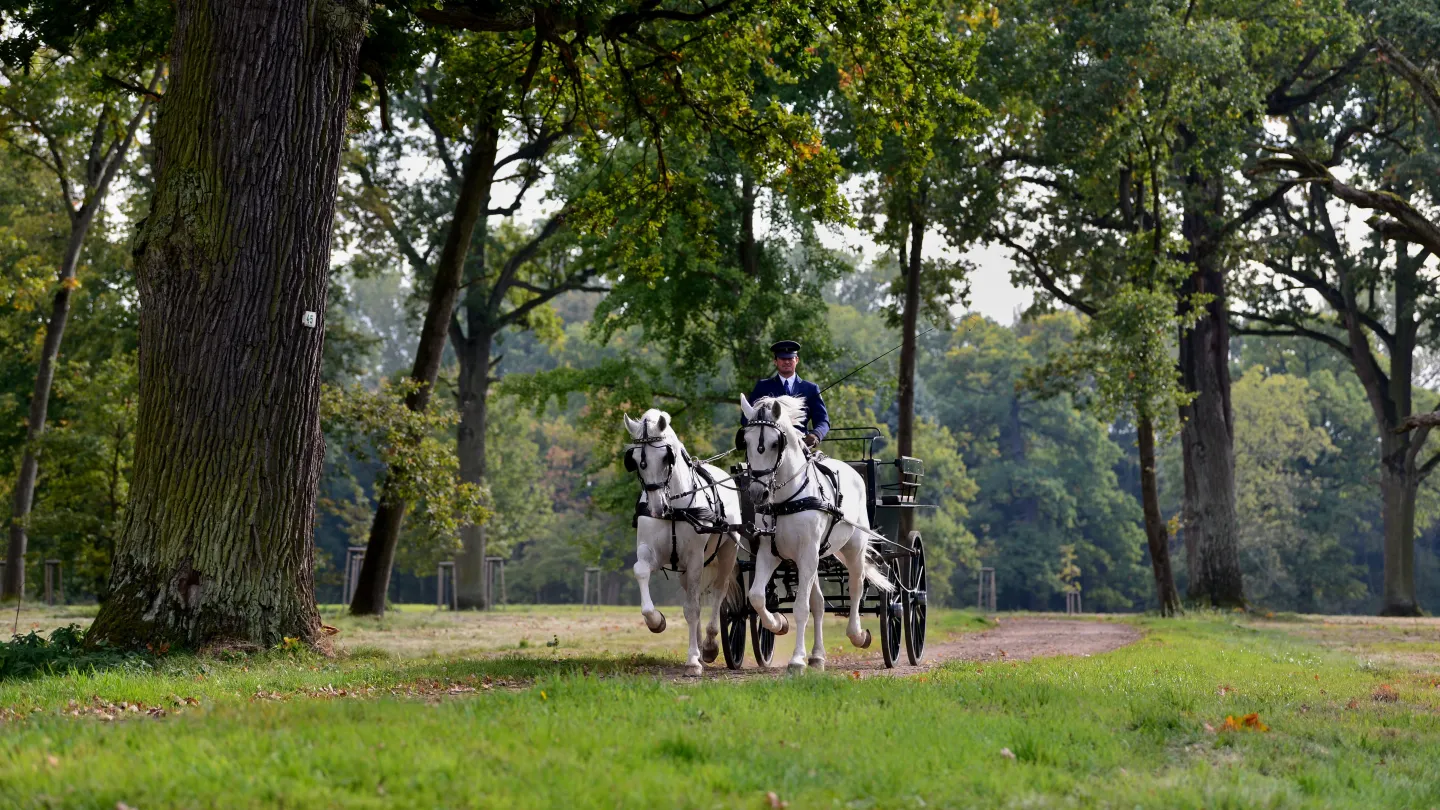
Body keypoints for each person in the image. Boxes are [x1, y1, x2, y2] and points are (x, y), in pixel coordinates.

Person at [745, 340, 830, 449]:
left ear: (797, 360)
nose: (787, 362)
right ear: (775, 361)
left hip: (800, 446)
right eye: (782, 358)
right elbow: (746, 418)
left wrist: (816, 435)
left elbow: (823, 420)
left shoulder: (811, 389)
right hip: (769, 448)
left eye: (790, 358)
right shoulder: (762, 387)